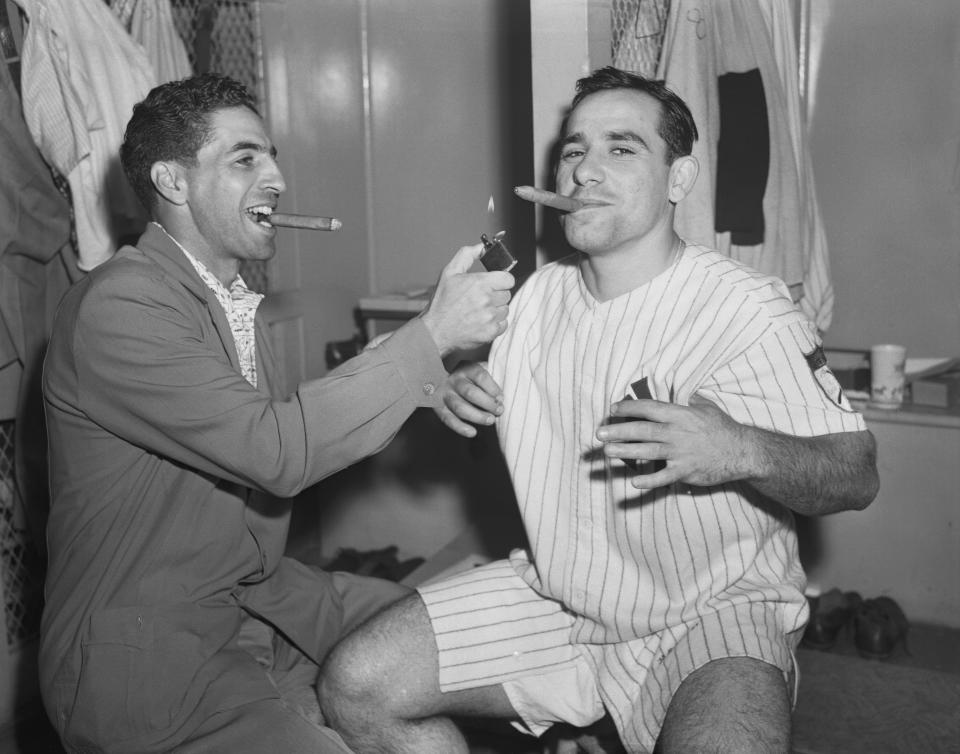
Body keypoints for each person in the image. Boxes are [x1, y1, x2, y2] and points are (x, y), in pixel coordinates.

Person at [317, 67, 879, 753]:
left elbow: (856, 473)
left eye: (622, 148)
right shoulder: (529, 301)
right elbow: (508, 417)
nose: (585, 169)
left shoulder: (748, 308)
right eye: (575, 149)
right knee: (356, 686)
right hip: (560, 599)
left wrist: (740, 449)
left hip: (711, 613)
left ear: (679, 179)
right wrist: (461, 392)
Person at [38, 73, 514, 754]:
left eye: (273, 155)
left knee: (477, 643)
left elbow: (284, 423)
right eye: (245, 158)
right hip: (147, 658)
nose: (278, 177)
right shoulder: (120, 308)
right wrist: (429, 338)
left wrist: (433, 379)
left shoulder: (226, 301)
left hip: (261, 603)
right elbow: (279, 451)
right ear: (172, 182)